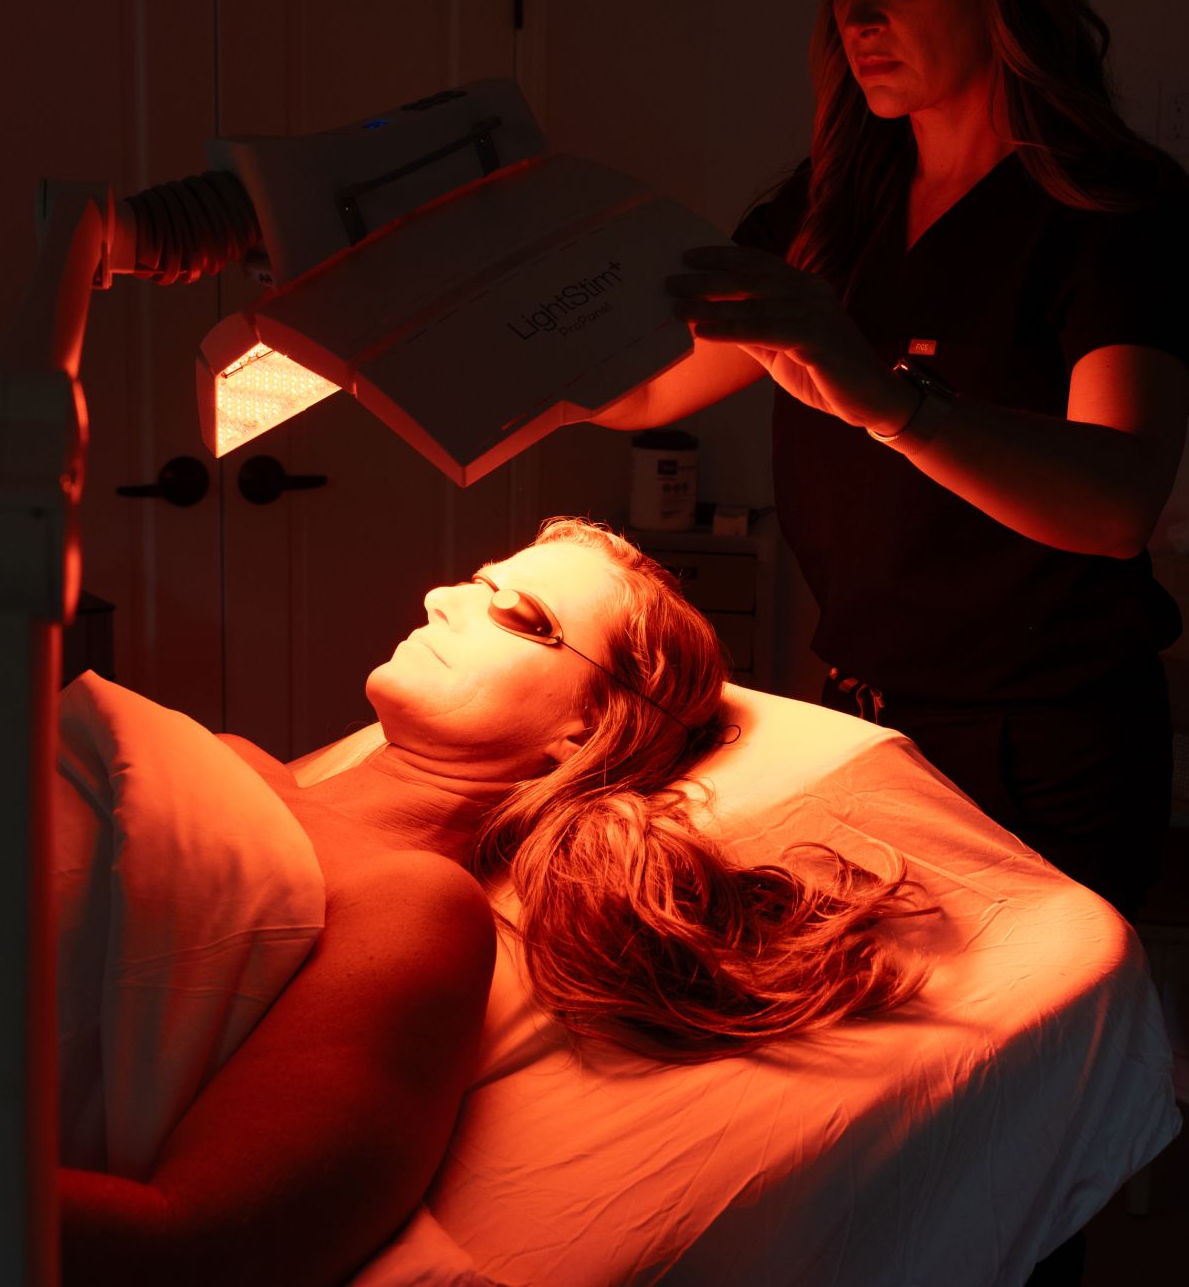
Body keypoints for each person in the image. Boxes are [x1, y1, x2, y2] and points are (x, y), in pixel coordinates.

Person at [59, 517, 927, 1287]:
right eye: (473, 583)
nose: (440, 598)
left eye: (518, 616)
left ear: (585, 731)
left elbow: (202, 1247)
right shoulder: (223, 760)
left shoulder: (413, 907)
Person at [595, 0, 1189, 925]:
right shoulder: (827, 212)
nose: (857, 14)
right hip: (864, 724)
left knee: (1025, 1080)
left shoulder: (1107, 210)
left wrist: (888, 399)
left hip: (1043, 756)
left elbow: (1116, 502)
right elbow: (636, 395)